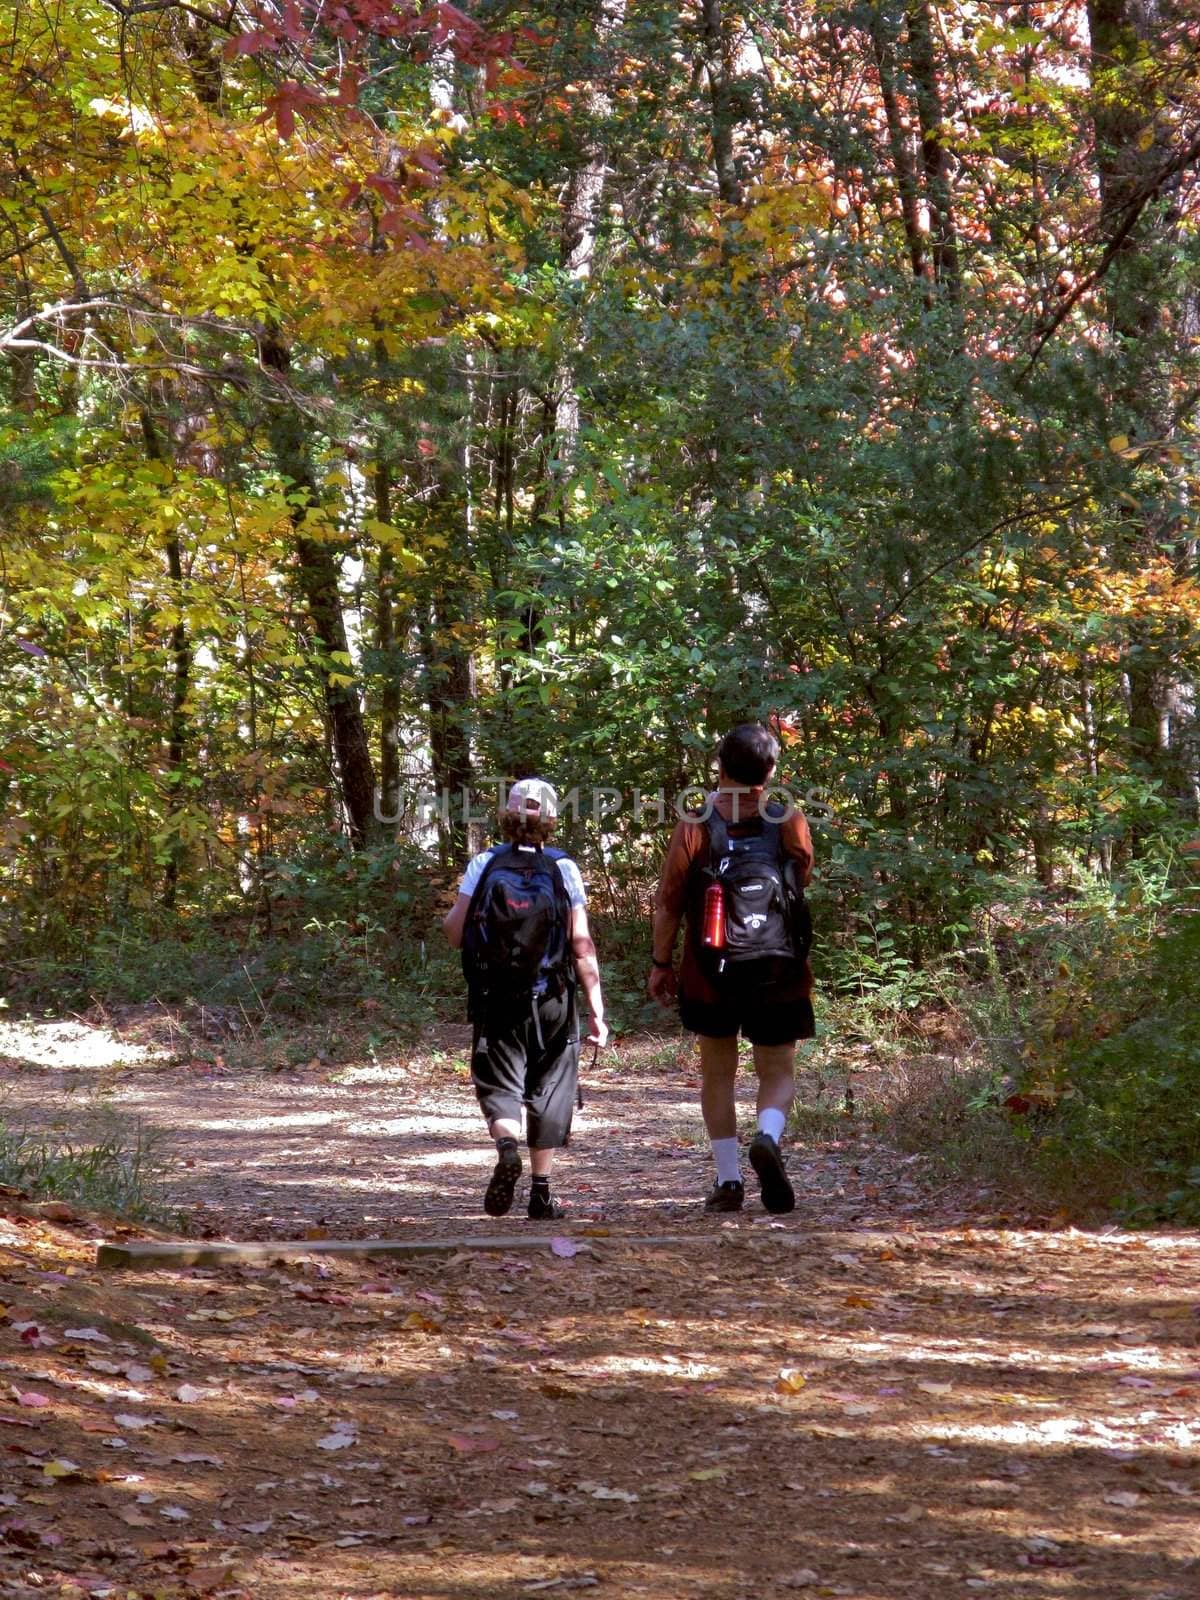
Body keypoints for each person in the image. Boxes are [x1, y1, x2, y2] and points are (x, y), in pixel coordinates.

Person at [648, 724, 814, 1214]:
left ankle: (729, 1180)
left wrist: (661, 963)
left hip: (710, 967)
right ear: (771, 771)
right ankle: (767, 1136)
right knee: (778, 1068)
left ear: (719, 765)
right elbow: (799, 881)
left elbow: (669, 903)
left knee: (717, 1072)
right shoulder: (788, 819)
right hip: (778, 966)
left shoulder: (696, 822)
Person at [443, 778, 608, 1220]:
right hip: (552, 999)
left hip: (497, 998)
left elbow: (455, 933)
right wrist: (596, 1008)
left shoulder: (484, 863)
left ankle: (506, 1145)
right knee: (550, 1089)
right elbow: (581, 944)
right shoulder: (564, 869)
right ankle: (540, 1192)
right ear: (550, 820)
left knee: (500, 1086)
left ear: (507, 815)